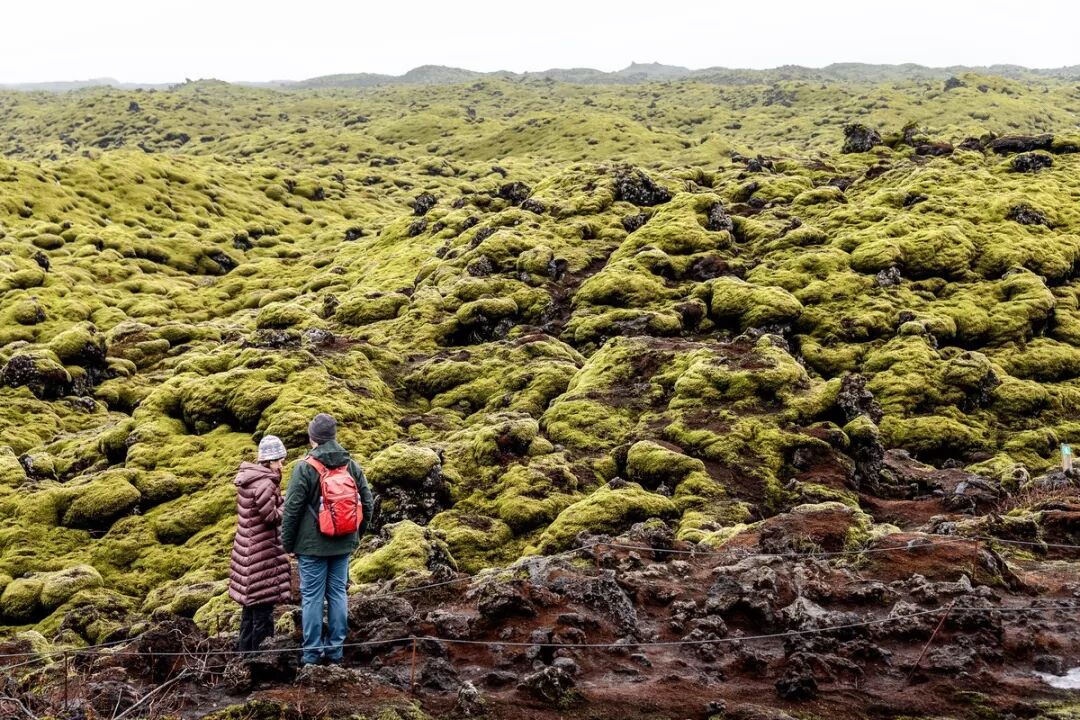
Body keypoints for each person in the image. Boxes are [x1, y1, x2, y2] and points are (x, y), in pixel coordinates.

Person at [281, 413, 374, 666]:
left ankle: (311, 655)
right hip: (343, 543)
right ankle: (335, 652)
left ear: (312, 438)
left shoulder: (304, 467)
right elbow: (367, 502)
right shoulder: (351, 465)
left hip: (311, 547)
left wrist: (287, 544)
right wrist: (356, 535)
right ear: (333, 436)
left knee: (311, 597)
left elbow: (292, 509)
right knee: (337, 594)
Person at [228, 435, 292, 653]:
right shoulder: (265, 482)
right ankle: (260, 661)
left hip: (248, 551)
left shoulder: (250, 479)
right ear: (271, 460)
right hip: (261, 555)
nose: (282, 464)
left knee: (249, 611)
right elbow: (271, 517)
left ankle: (244, 656)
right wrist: (288, 506)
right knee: (262, 614)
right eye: (280, 460)